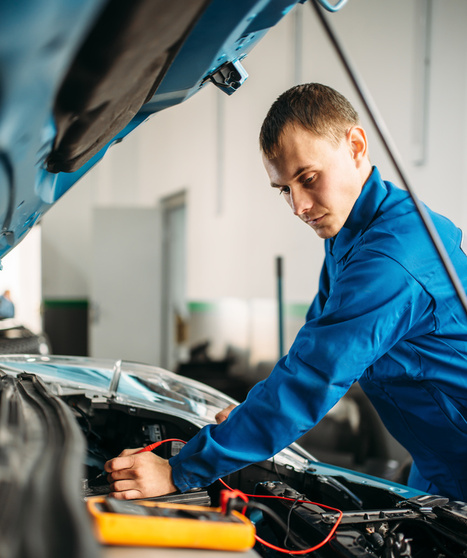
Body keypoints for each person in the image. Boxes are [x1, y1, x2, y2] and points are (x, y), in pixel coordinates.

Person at [105, 83, 467, 501]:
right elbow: (314, 340)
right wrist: (249, 416)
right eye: (284, 189)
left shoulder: (392, 258)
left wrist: (179, 472)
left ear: (355, 145)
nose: (298, 206)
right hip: (437, 461)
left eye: (308, 179)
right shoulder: (353, 233)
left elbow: (313, 376)